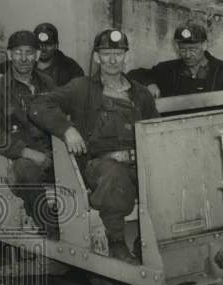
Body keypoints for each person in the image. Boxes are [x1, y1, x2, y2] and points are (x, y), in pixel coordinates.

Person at [30, 29, 158, 260]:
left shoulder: (140, 94)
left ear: (126, 56)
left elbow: (156, 129)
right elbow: (39, 105)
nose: (112, 60)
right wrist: (66, 129)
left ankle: (147, 240)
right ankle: (117, 241)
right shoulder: (81, 88)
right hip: (98, 165)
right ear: (97, 57)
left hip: (139, 163)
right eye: (106, 53)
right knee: (113, 174)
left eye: (118, 54)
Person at [0, 30, 58, 236]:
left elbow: (61, 117)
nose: (24, 58)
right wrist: (26, 153)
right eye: (18, 52)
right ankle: (49, 228)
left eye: (29, 52)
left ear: (37, 55)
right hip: (17, 160)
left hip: (52, 154)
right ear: (9, 55)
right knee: (26, 168)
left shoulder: (49, 84)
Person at [129, 21, 223, 98]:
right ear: (176, 47)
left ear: (204, 45)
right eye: (182, 49)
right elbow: (133, 75)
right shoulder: (168, 70)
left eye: (193, 49)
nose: (187, 55)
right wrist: (149, 83)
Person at [34, 22, 85, 87]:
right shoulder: (24, 64)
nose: (43, 49)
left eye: (48, 44)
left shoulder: (71, 68)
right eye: (39, 44)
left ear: (56, 45)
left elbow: (80, 92)